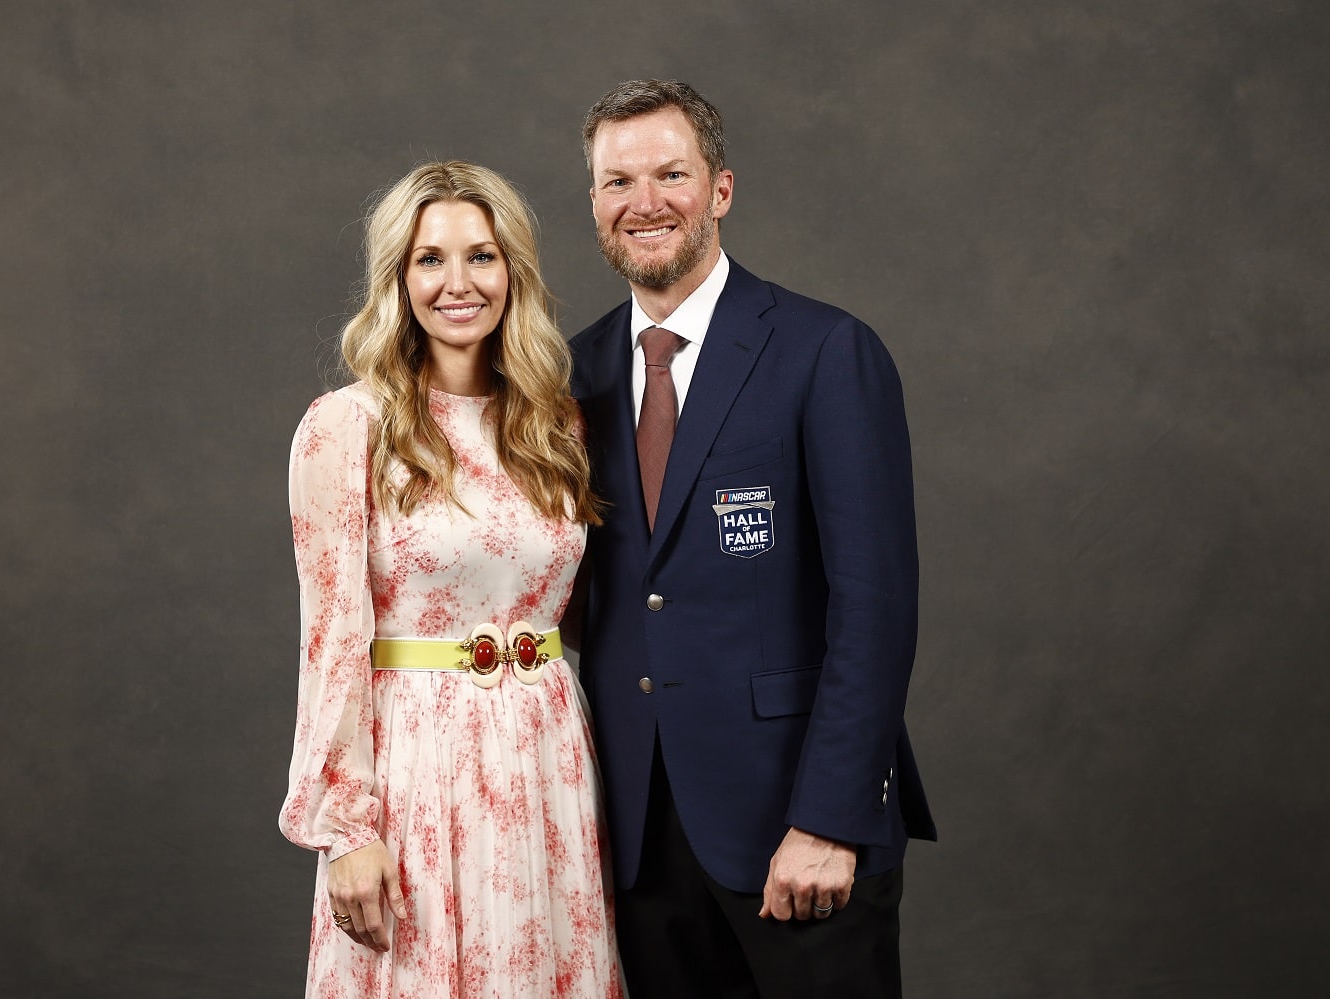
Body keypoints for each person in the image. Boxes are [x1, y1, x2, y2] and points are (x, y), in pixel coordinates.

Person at [568, 80, 937, 998]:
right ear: (594, 204)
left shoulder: (825, 351)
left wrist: (831, 819)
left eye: (670, 174)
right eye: (618, 182)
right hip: (638, 840)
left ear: (721, 190)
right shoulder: (571, 373)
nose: (643, 202)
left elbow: (875, 609)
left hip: (795, 831)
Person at [278, 160, 623, 999]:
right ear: (397, 277)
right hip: (417, 766)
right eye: (430, 259)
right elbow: (330, 642)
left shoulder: (557, 424)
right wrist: (347, 829)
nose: (458, 282)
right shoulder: (345, 427)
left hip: (548, 758)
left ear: (515, 272)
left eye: (482, 256)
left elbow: (586, 608)